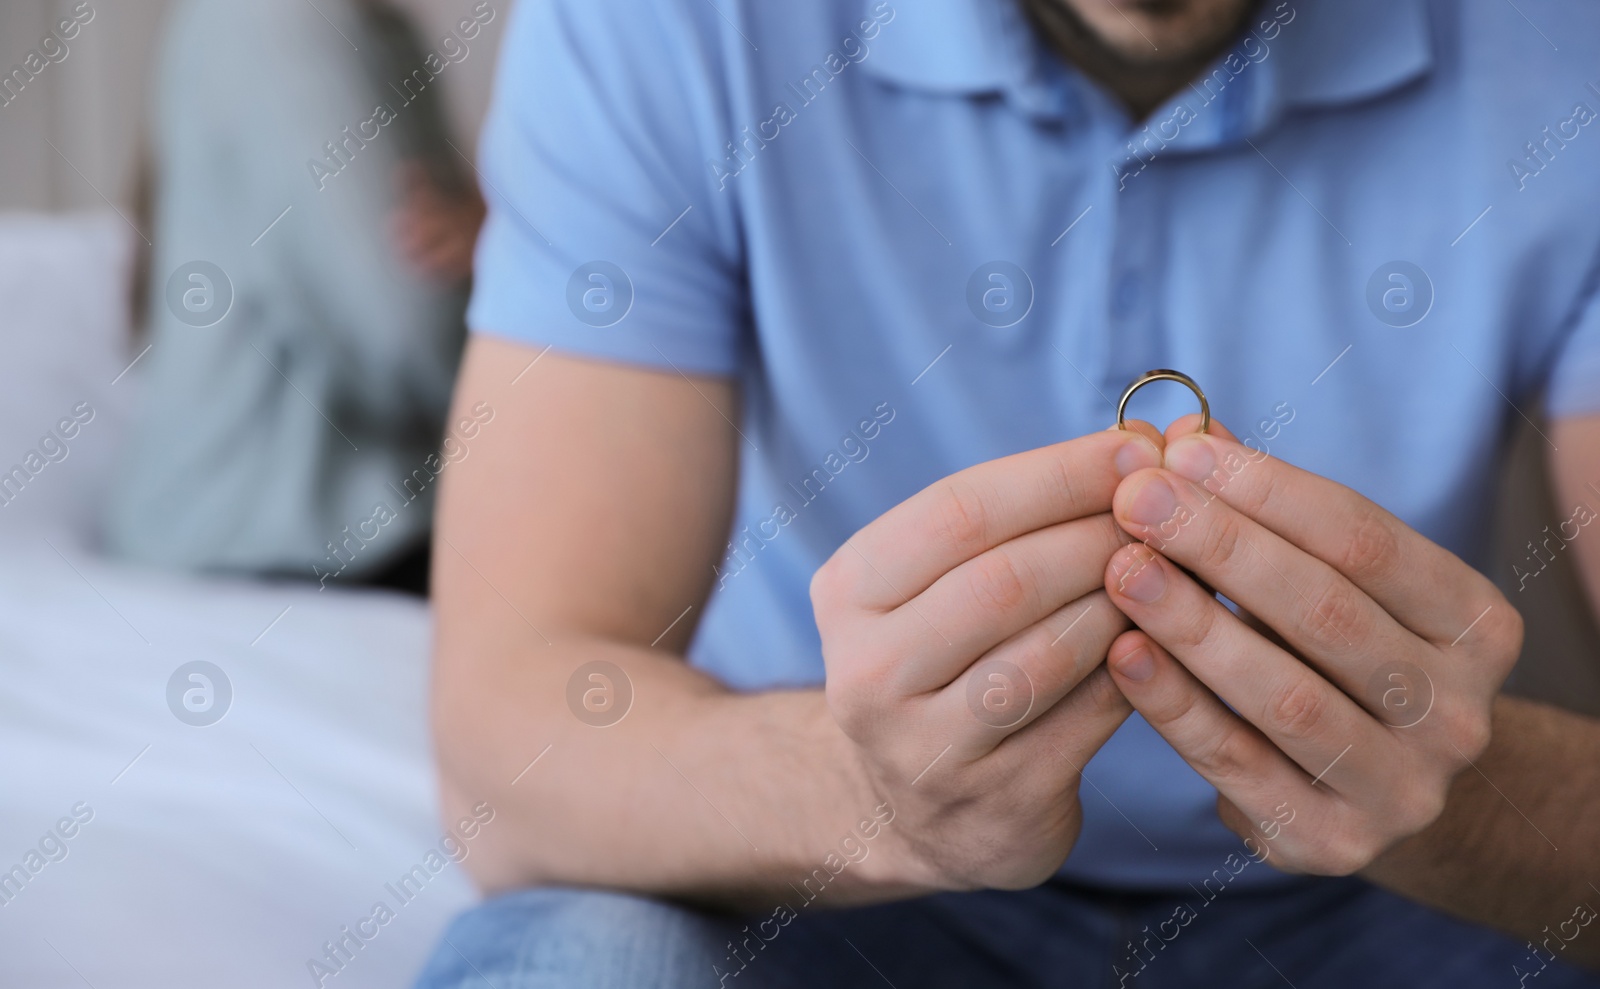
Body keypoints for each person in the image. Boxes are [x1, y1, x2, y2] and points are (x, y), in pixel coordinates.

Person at [416, 0, 1600, 985]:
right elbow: (507, 750)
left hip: (1390, 913)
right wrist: (871, 793)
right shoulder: (668, 24)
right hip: (812, 898)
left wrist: (1461, 795)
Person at [105, 0, 484, 595]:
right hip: (270, 542)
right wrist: (513, 260)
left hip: (346, 532)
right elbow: (407, 336)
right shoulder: (274, 22)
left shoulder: (379, 32)